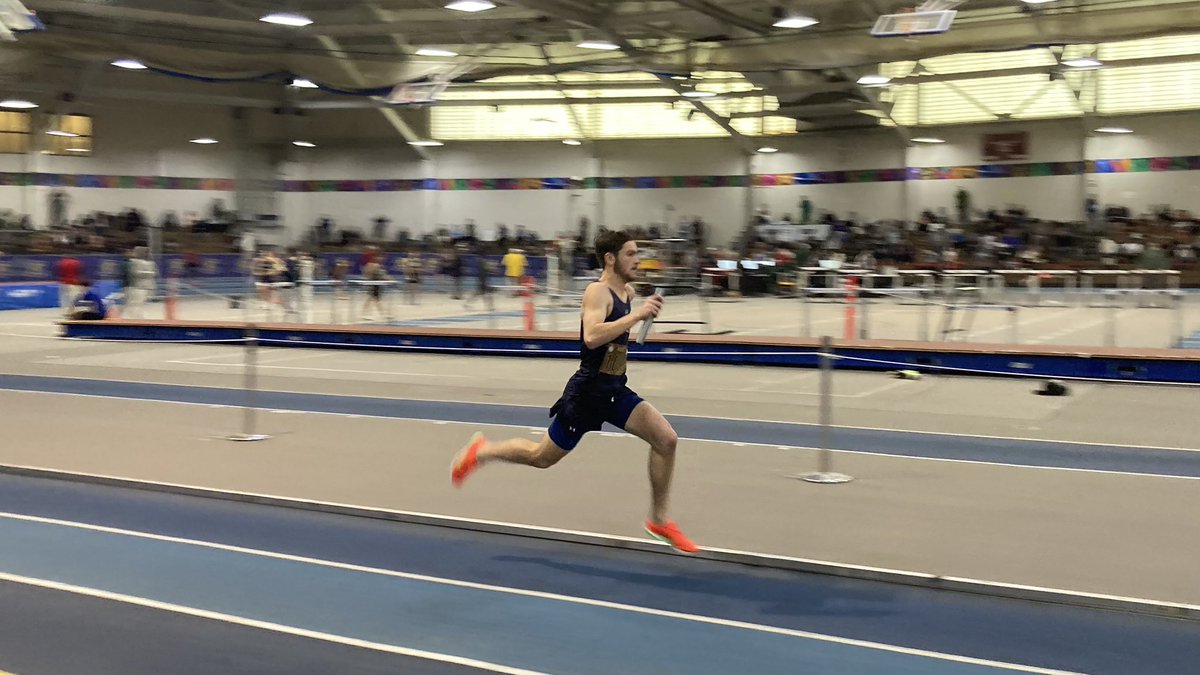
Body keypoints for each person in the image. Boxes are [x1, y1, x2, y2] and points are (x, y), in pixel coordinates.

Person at [450, 230, 698, 553]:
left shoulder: (629, 292)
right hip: (587, 394)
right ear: (610, 258)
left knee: (666, 440)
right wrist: (638, 316)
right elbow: (592, 336)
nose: (638, 260)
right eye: (631, 254)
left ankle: (659, 520)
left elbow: (618, 338)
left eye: (638, 253)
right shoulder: (598, 292)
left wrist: (643, 316)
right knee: (540, 458)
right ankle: (481, 451)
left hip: (614, 389)